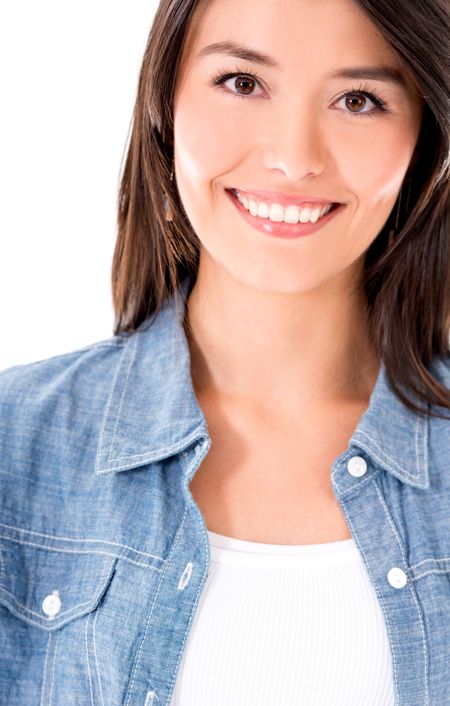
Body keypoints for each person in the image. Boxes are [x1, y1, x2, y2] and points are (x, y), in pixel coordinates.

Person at [0, 0, 449, 703]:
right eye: (242, 82)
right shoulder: (16, 445)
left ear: (424, 130)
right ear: (165, 98)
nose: (294, 158)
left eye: (359, 99)